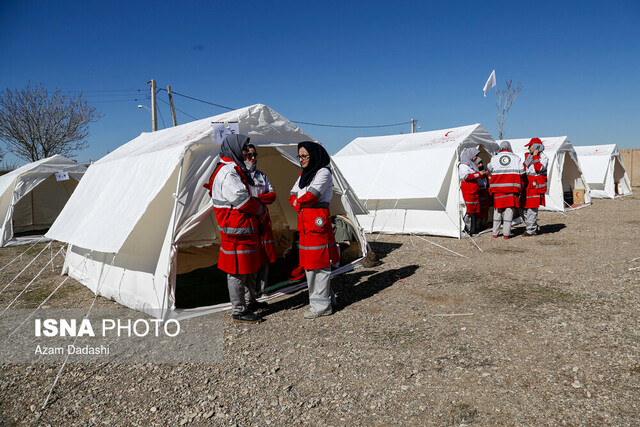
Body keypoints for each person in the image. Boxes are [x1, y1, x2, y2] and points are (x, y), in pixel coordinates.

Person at [203, 134, 265, 323]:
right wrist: (260, 209)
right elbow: (242, 199)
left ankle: (249, 301)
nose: (247, 152)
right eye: (244, 149)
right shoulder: (228, 172)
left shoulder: (234, 169)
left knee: (249, 268)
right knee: (237, 272)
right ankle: (239, 310)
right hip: (236, 232)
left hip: (243, 231)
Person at [288, 141, 340, 319]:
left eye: (304, 156)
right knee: (310, 264)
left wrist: (298, 202)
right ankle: (325, 299)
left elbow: (310, 197)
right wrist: (299, 201)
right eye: (300, 156)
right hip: (306, 224)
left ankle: (321, 306)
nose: (301, 160)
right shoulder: (305, 175)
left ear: (314, 156)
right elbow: (292, 195)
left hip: (316, 223)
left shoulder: (323, 173)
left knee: (319, 264)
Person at [244, 143, 276, 301]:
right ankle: (249, 295)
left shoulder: (261, 176)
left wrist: (256, 199)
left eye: (254, 155)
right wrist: (257, 202)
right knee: (251, 258)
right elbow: (243, 200)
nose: (252, 158)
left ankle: (263, 290)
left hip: (263, 220)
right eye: (249, 155)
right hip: (249, 221)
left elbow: (272, 195)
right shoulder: (240, 176)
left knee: (265, 256)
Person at [487, 141, 524, 239]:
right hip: (511, 189)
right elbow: (522, 172)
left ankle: (495, 233)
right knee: (509, 211)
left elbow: (489, 168)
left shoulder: (494, 158)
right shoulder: (516, 158)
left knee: (497, 211)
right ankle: (506, 234)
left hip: (498, 189)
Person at [521, 137, 549, 236]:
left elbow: (539, 168)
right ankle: (533, 226)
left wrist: (536, 156)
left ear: (536, 147)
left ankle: (531, 230)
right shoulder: (528, 157)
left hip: (535, 187)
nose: (529, 148)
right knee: (523, 208)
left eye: (530, 146)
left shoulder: (544, 158)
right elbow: (524, 168)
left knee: (532, 208)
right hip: (527, 186)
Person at [458, 147, 488, 235]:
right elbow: (465, 176)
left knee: (473, 212)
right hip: (468, 191)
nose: (476, 158)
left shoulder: (471, 165)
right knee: (468, 211)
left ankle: (472, 230)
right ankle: (467, 230)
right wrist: (479, 174)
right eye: (476, 156)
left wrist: (482, 174)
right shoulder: (463, 165)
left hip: (474, 191)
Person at [475, 157, 490, 230]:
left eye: (481, 163)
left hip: (484, 192)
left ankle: (483, 223)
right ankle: (477, 225)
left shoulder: (485, 173)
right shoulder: (475, 172)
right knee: (479, 209)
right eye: (478, 163)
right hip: (478, 192)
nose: (480, 165)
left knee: (485, 209)